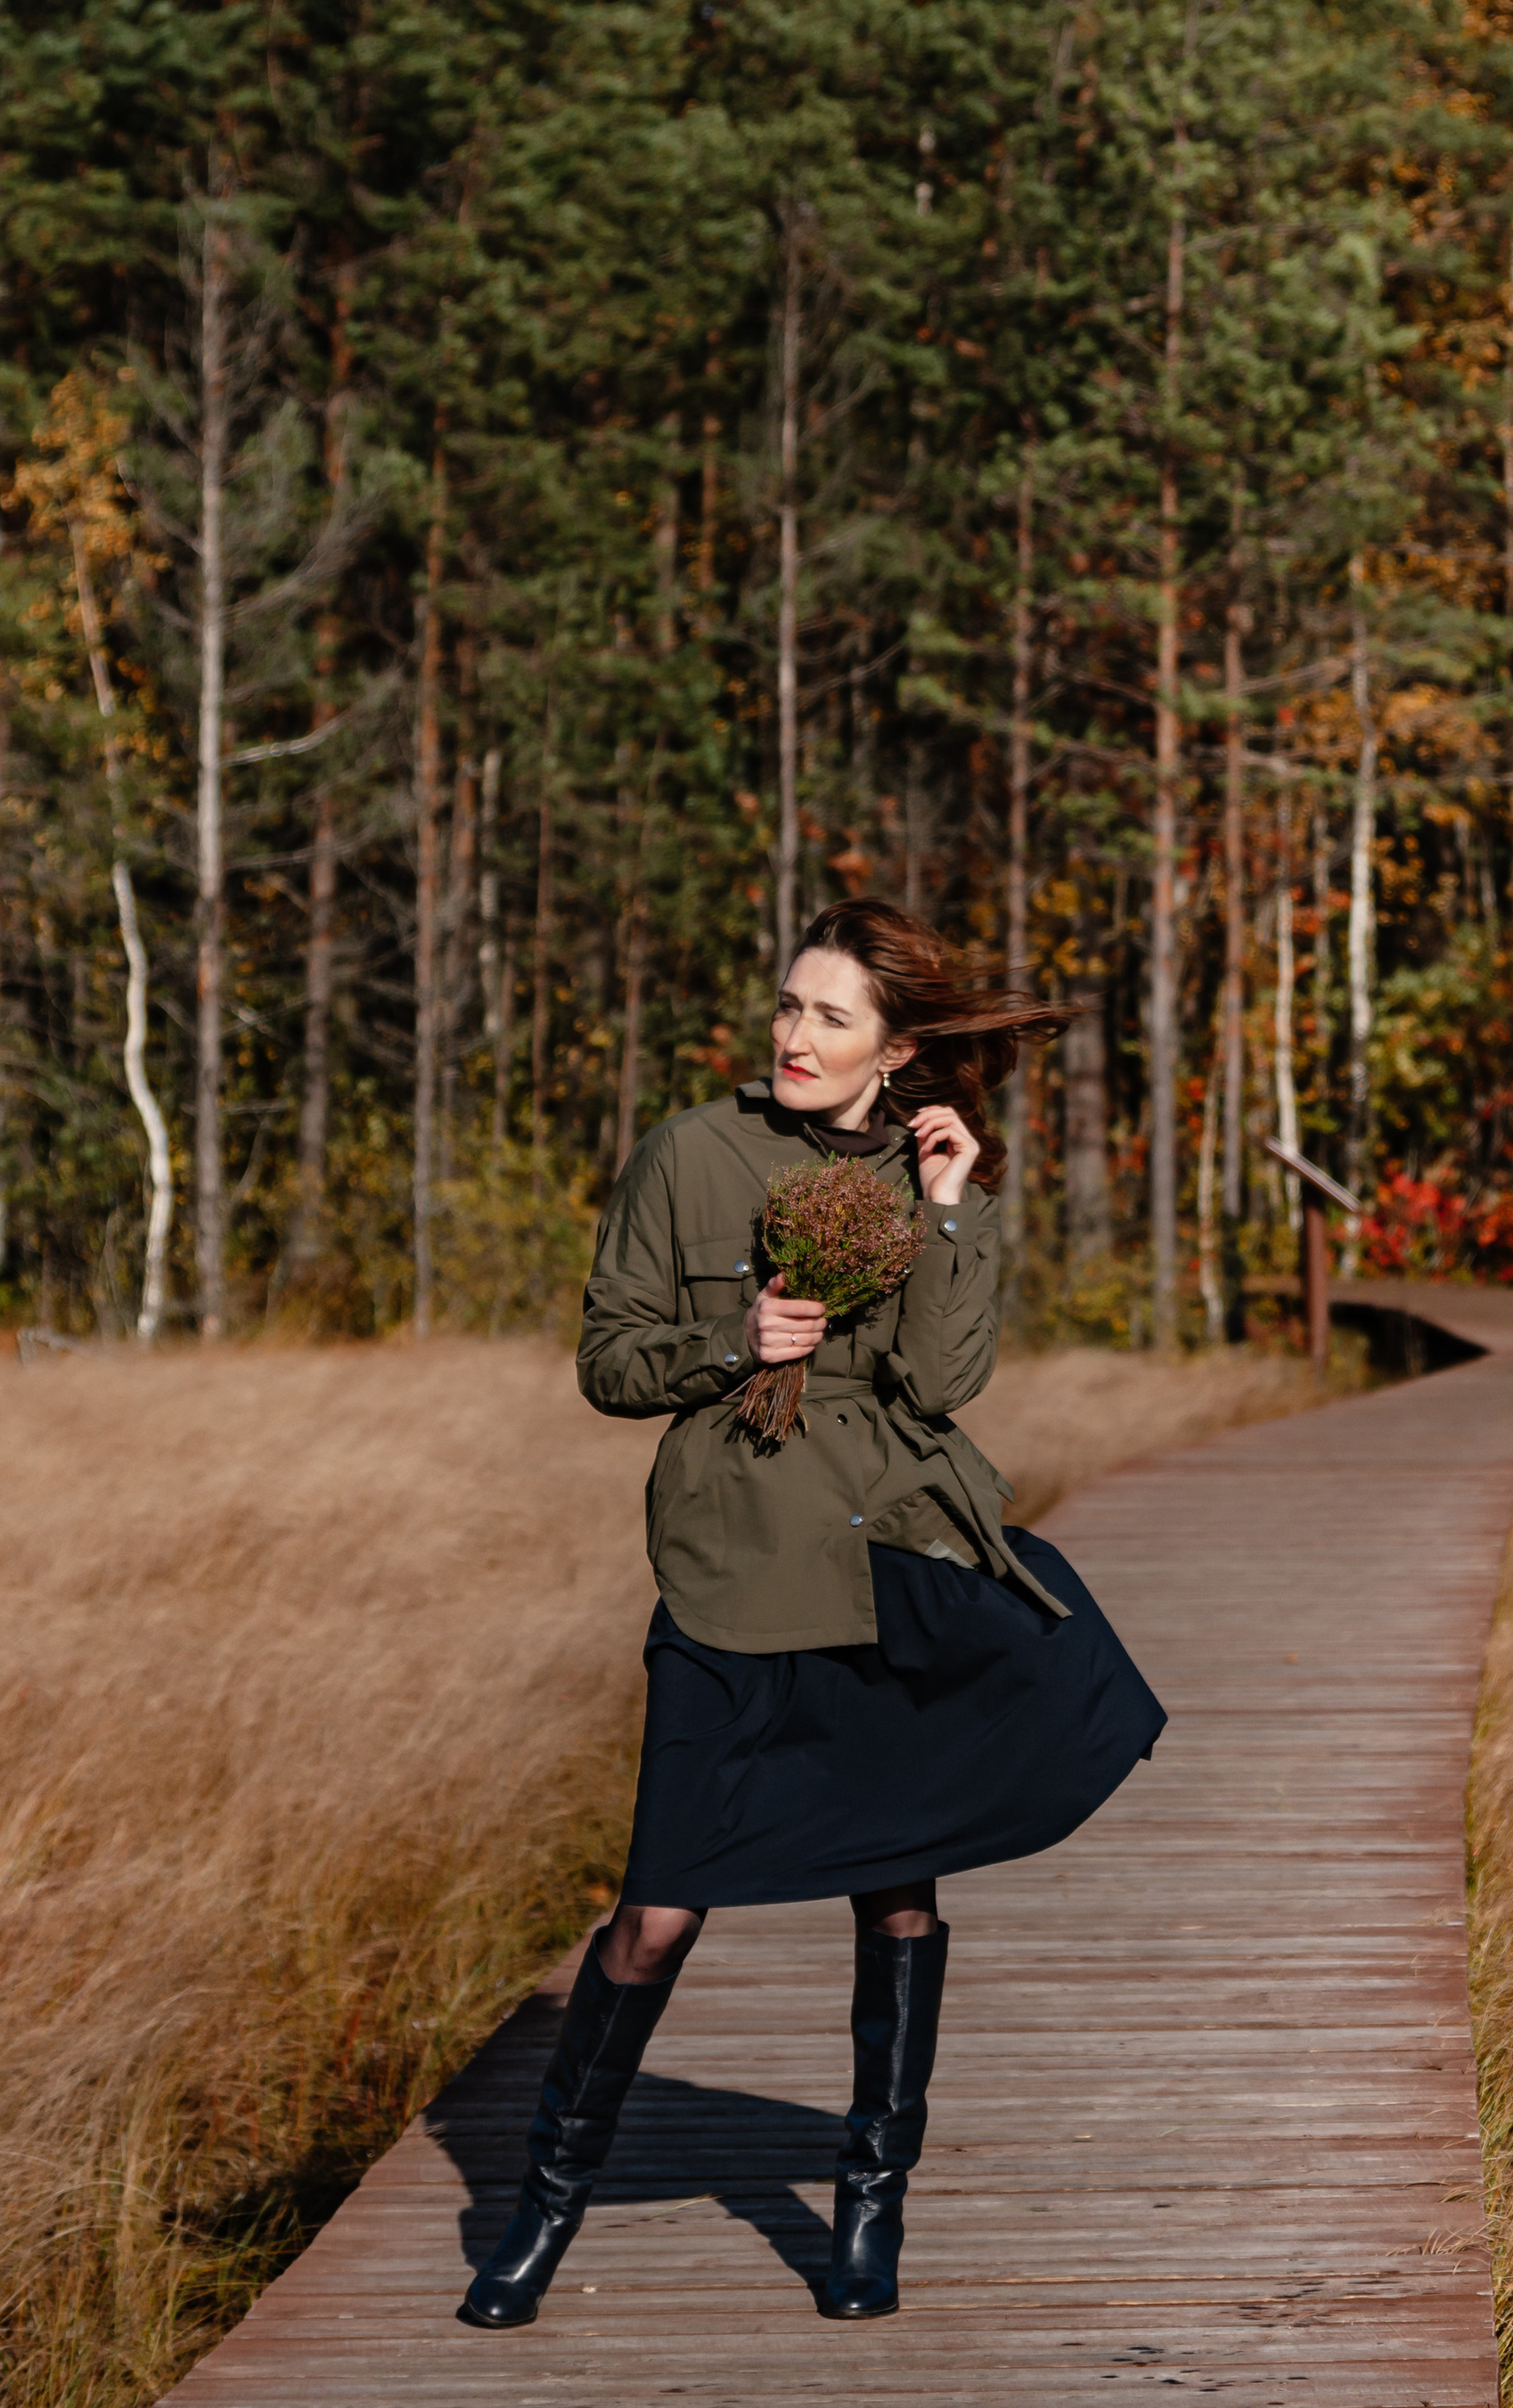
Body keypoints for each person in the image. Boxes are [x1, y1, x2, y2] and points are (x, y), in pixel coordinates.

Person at [458, 897, 1166, 2335]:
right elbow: (608, 1361)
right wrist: (739, 1340)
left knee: (898, 1893)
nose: (794, 1035)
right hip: (730, 1568)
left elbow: (944, 1381)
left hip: (885, 1554)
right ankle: (540, 2205)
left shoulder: (925, 1172)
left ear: (895, 1051)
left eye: (831, 1017)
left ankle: (868, 2204)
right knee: (656, 1914)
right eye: (790, 1005)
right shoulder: (692, 1155)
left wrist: (958, 1206)